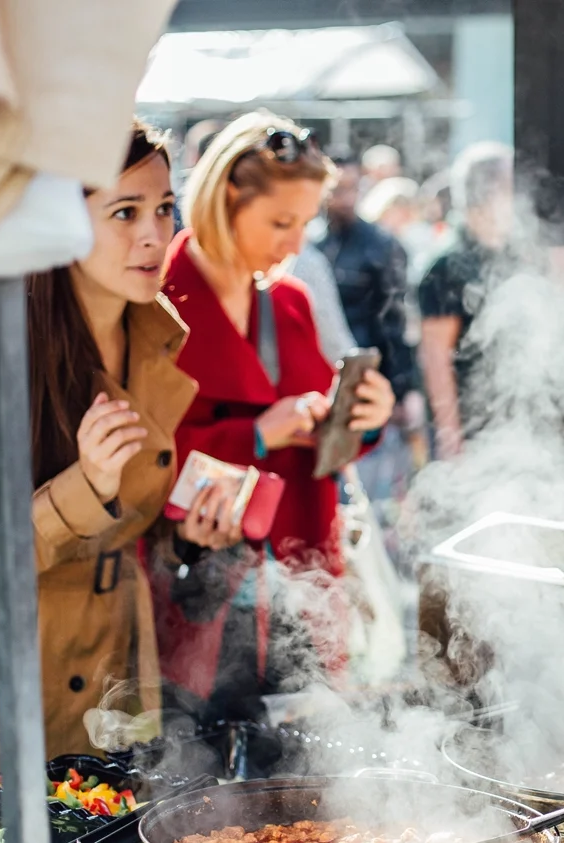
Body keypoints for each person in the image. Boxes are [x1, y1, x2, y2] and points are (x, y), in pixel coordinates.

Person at [0, 121, 242, 783]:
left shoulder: (153, 340)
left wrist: (186, 539)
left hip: (114, 687)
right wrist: (83, 487)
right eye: (124, 212)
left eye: (164, 208)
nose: (154, 235)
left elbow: (123, 531)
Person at [156, 112, 395, 721]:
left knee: (306, 758)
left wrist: (365, 416)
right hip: (198, 586)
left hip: (300, 571)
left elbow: (324, 437)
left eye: (306, 223)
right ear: (224, 200)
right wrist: (258, 434)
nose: (295, 245)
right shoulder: (160, 299)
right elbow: (147, 457)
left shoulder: (290, 300)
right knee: (199, 759)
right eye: (281, 222)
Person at [417, 142, 514, 457]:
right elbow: (436, 357)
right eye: (511, 186)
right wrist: (450, 434)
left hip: (513, 420)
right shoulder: (445, 265)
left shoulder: (516, 254)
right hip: (473, 426)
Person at [318, 160, 414, 400]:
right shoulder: (309, 245)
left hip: (367, 378)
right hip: (318, 377)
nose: (347, 198)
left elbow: (395, 322)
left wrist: (401, 388)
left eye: (353, 187)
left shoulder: (381, 246)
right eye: (338, 189)